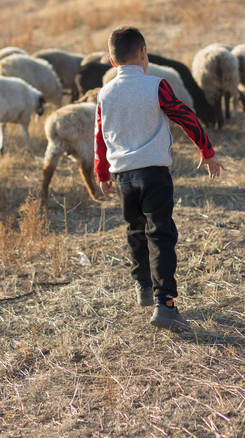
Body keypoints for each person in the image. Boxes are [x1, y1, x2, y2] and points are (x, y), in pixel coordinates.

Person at [95, 26, 224, 332]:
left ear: (112, 61)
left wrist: (102, 174)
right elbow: (185, 115)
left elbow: (99, 137)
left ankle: (143, 286)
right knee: (161, 235)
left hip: (122, 175)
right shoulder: (157, 85)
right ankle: (164, 304)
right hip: (153, 172)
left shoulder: (104, 93)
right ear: (144, 53)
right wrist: (206, 150)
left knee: (135, 230)